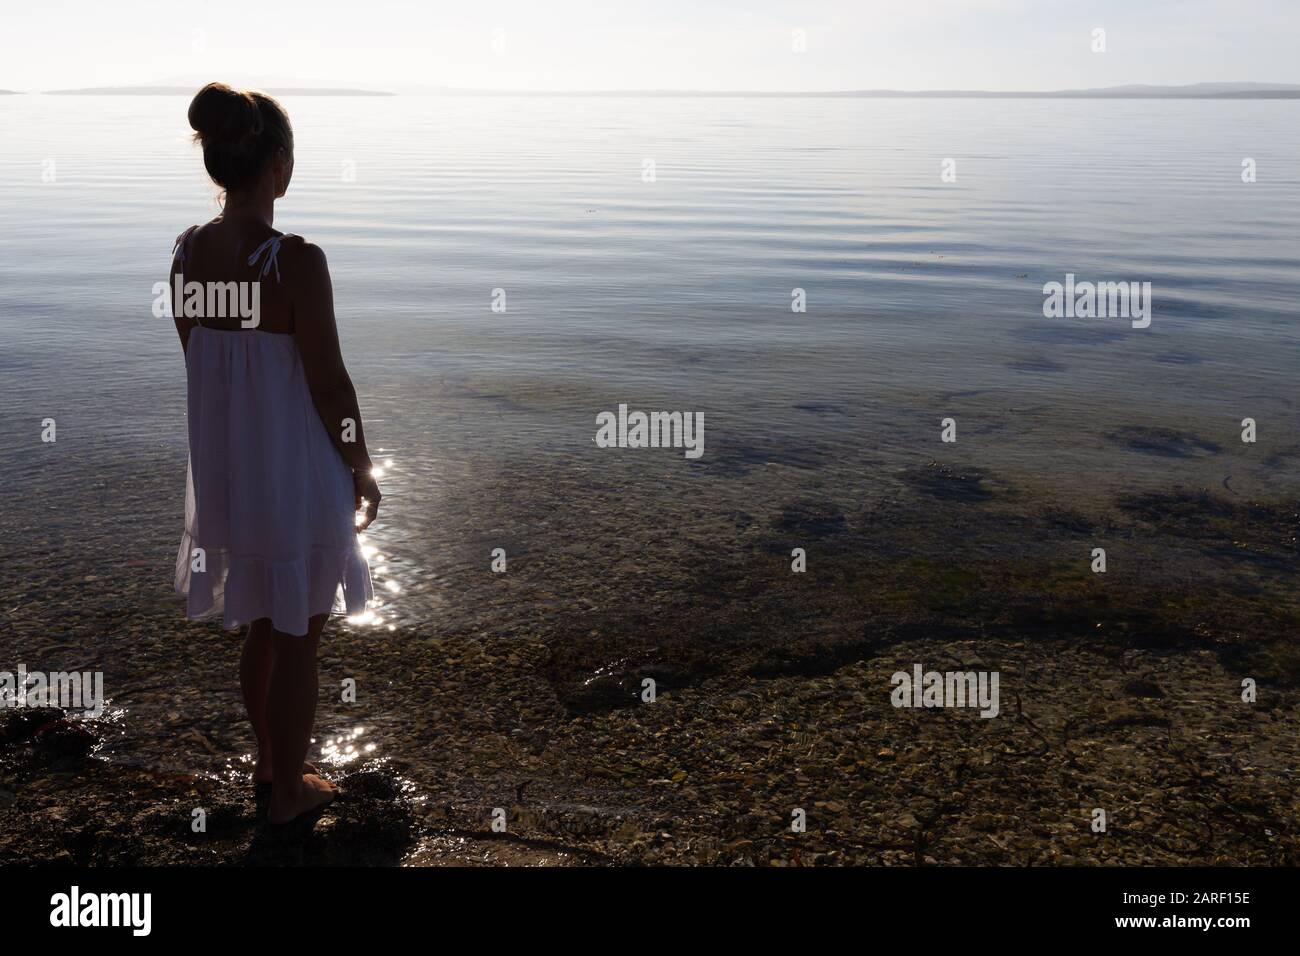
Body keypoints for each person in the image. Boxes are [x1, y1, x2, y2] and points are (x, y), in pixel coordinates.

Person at [171, 82, 381, 825]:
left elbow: (202, 362)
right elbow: (330, 386)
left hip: (232, 473)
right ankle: (288, 794)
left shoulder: (187, 254)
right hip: (294, 474)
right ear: (279, 167)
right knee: (298, 632)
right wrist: (359, 465)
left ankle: (271, 765)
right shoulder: (297, 262)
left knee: (265, 619)